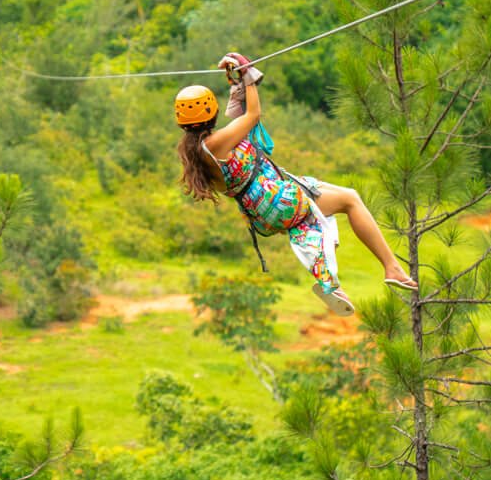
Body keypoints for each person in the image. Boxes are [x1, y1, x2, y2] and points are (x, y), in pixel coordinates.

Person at [175, 51, 418, 316]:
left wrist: (238, 81)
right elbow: (253, 114)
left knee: (331, 207)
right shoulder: (215, 143)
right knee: (350, 200)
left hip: (261, 210)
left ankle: (329, 282)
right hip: (276, 198)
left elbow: (238, 121)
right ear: (211, 111)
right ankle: (390, 267)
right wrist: (248, 74)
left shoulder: (198, 150)